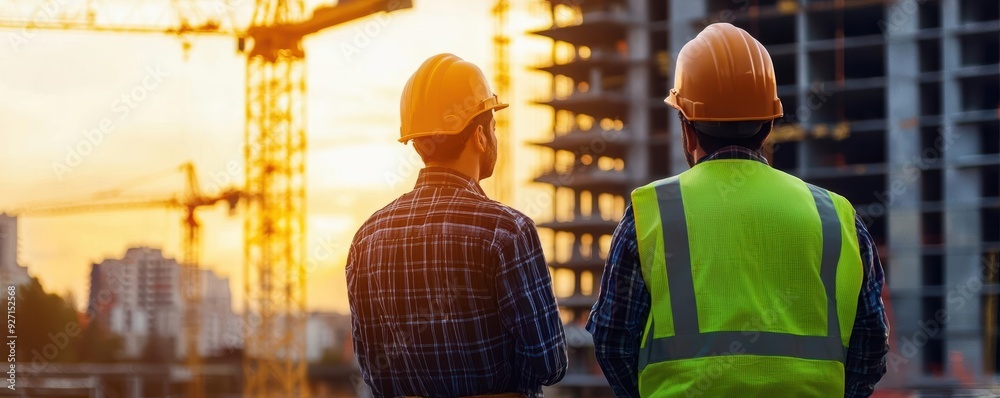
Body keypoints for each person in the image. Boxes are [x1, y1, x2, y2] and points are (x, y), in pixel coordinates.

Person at [587, 23, 889, 397]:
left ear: (687, 127)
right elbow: (871, 345)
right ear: (768, 125)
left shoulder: (653, 211)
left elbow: (612, 339)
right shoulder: (836, 215)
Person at [347, 53, 567, 398]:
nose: (495, 137)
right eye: (493, 127)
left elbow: (373, 369)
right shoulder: (507, 230)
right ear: (480, 137)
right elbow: (549, 362)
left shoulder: (368, 237)